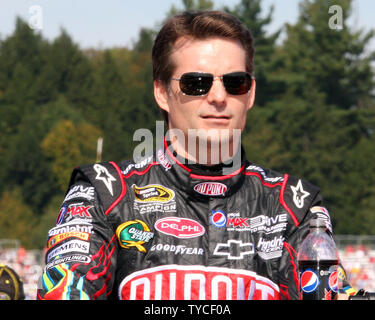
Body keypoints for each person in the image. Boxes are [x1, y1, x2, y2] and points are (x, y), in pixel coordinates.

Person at [37, 10, 355, 300]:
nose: (218, 96)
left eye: (235, 83)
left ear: (251, 93)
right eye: (196, 83)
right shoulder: (105, 192)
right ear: (162, 92)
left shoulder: (294, 203)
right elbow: (66, 292)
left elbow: (329, 294)